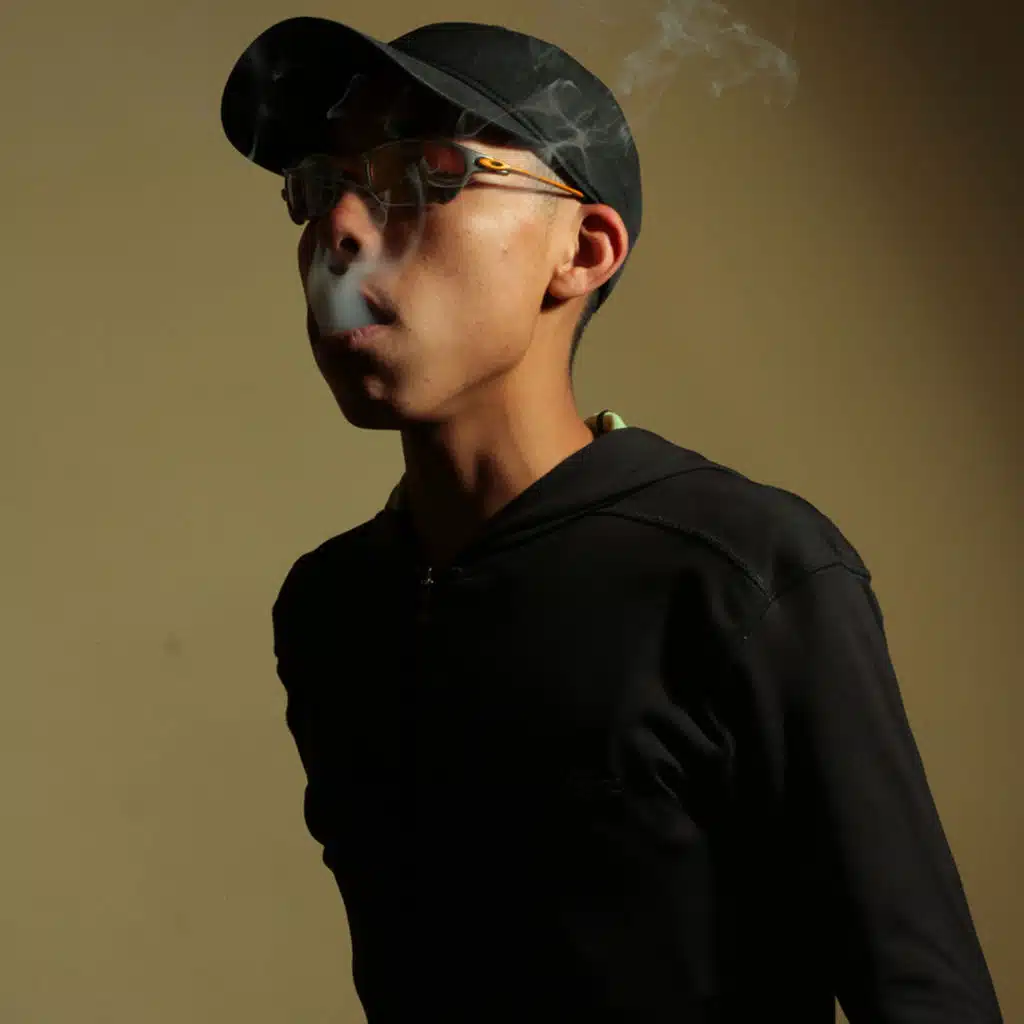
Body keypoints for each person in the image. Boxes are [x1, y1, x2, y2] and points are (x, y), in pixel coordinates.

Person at [220, 17, 1004, 1024]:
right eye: (319, 185)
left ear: (583, 250)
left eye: (428, 173)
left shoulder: (742, 574)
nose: (338, 225)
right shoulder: (332, 609)